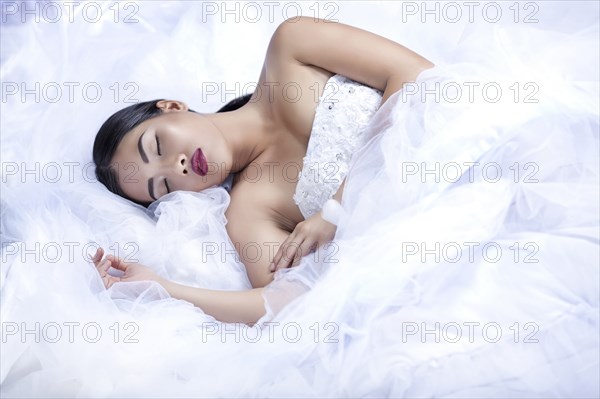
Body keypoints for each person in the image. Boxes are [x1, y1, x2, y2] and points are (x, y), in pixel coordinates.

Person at [91, 16, 434, 324]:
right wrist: (162, 289)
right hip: (432, 236)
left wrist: (337, 209)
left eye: (157, 146)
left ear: (170, 106)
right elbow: (291, 302)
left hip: (459, 138)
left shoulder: (291, 46)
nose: (177, 167)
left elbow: (418, 76)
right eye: (163, 186)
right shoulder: (249, 211)